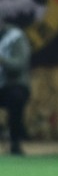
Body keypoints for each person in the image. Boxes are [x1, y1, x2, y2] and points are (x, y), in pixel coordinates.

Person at [0, 19, 32, 155]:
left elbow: (20, 63)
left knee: (16, 95)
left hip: (12, 84)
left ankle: (15, 142)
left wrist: (2, 60)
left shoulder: (15, 36)